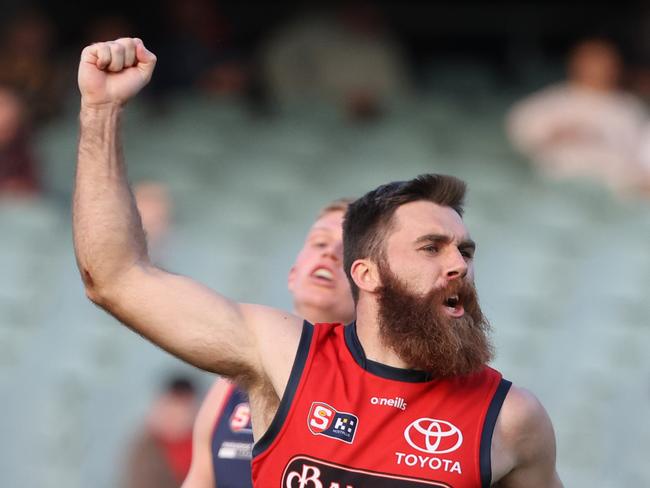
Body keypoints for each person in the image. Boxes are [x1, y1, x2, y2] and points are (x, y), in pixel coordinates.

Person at [74, 38, 563, 486]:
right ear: (366, 274)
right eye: (431, 248)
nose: (458, 264)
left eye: (466, 250)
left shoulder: (512, 420)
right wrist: (101, 112)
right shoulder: (282, 359)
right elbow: (117, 279)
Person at [182, 199, 355, 488]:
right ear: (293, 274)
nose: (331, 253)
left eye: (350, 249)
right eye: (319, 242)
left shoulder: (377, 390)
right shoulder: (231, 382)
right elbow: (200, 478)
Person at [507, 38, 649, 194]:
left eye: (605, 63)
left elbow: (640, 155)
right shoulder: (548, 104)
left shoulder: (631, 109)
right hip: (561, 182)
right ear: (575, 64)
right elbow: (523, 136)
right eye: (592, 62)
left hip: (616, 182)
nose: (599, 69)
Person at [122, 376, 199, 488]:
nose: (175, 416)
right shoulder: (145, 449)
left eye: (181, 409)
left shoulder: (206, 442)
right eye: (171, 407)